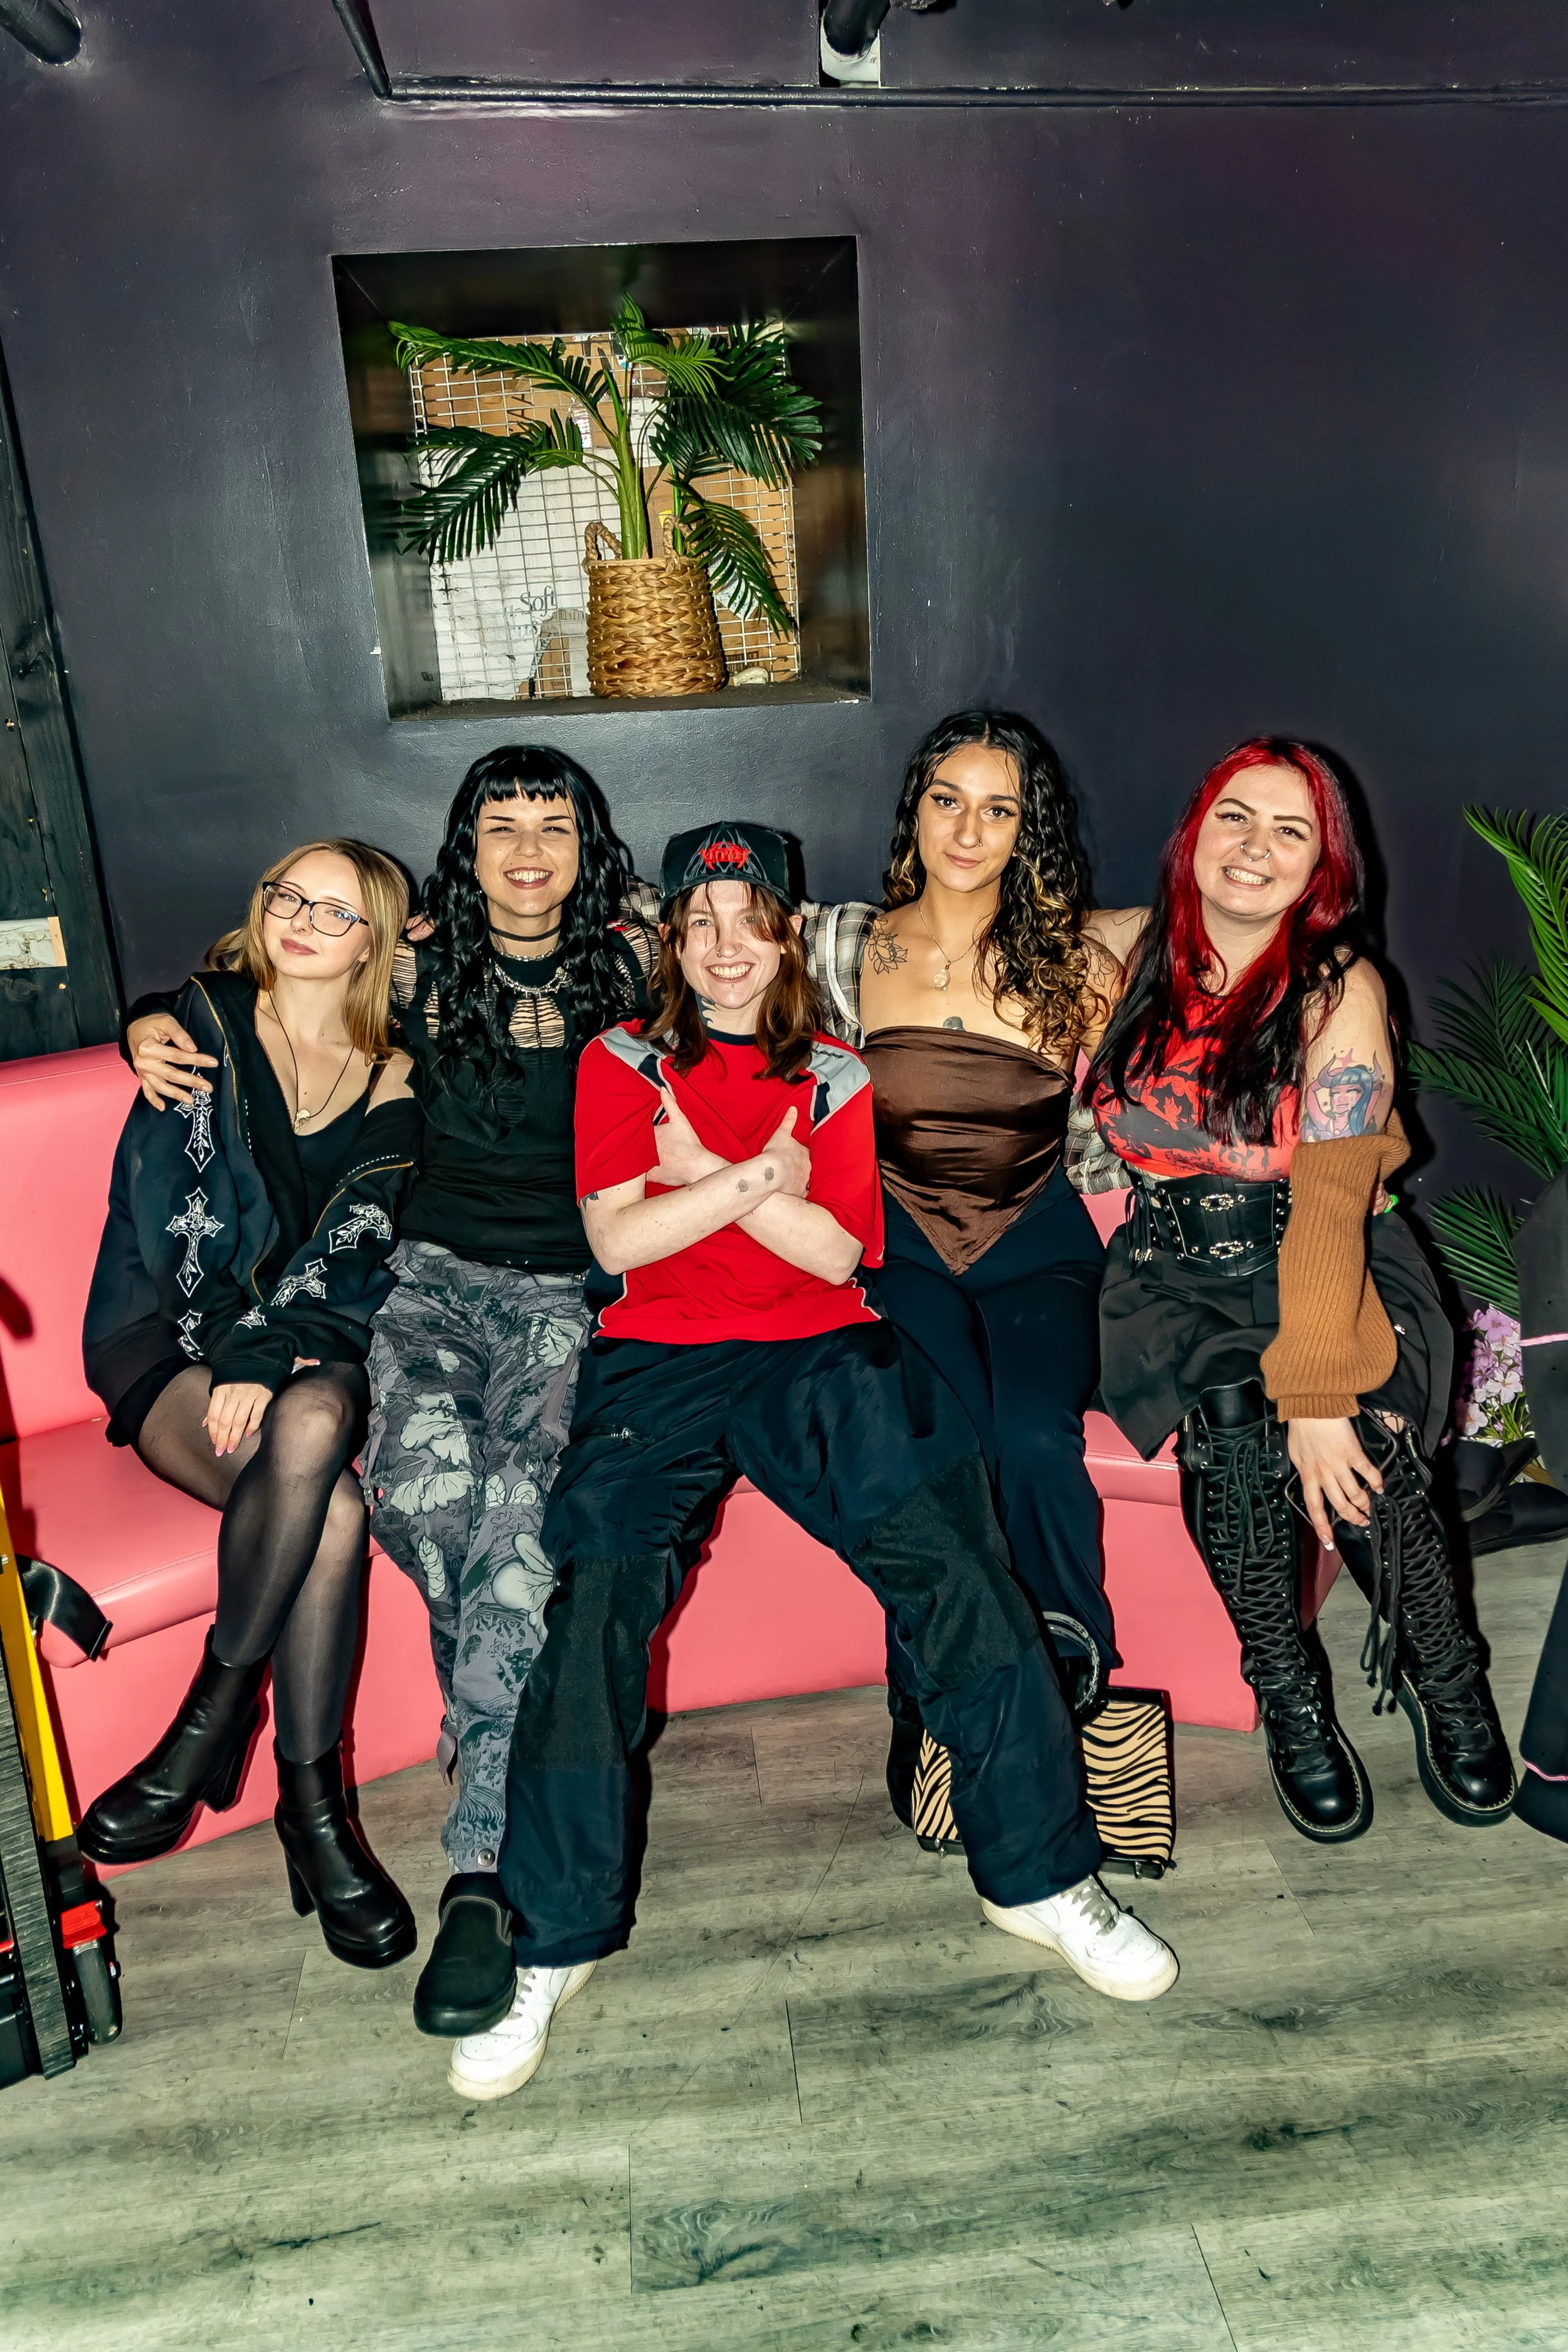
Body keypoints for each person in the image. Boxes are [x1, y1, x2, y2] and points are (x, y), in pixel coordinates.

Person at [448, 820, 1179, 2104]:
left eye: (751, 920)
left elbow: (838, 1257)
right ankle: (551, 1941)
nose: (727, 948)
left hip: (817, 1353)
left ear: (788, 932)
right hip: (657, 1357)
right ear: (669, 941)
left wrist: (705, 1179)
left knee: (958, 1571)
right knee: (596, 1613)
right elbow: (618, 1243)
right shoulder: (620, 1062)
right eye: (699, 923)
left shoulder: (835, 1072)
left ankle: (1041, 1876)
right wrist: (753, 1181)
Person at [1084, 739, 1515, 1844]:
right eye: (1237, 817)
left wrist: (1319, 1397)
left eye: (1291, 831)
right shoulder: (1119, 951)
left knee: (1360, 1441)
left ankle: (1447, 1678)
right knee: (1229, 1431)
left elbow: (1329, 1207)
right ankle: (1290, 1702)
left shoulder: (1337, 990)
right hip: (1175, 1274)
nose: (1255, 849)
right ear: (1195, 831)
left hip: (1333, 1262)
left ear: (1323, 867)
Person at [79, 840, 420, 1968]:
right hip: (165, 1331)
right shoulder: (199, 1028)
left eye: (338, 909)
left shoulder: (390, 1069)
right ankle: (309, 1811)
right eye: (288, 895)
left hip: (297, 1343)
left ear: (378, 939)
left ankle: (213, 1731)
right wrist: (237, 1352)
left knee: (328, 1471)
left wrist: (273, 1352)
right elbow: (175, 1218)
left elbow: (358, 1234)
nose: (303, 920)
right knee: (329, 1498)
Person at [360, 746, 654, 2042]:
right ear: (464, 848)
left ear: (586, 848)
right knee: (435, 1513)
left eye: (553, 828)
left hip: (562, 1300)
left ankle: (478, 1872)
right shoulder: (414, 967)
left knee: (518, 1536)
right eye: (499, 829)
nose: (526, 853)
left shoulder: (632, 970)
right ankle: (505, 1782)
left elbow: (778, 963)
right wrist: (162, 1023)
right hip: (425, 1290)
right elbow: (257, 977)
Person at [802, 711, 1121, 1831]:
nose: (970, 828)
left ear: (1028, 829)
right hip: (901, 1245)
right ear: (915, 808)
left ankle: (1075, 1674)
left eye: (1000, 807)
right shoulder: (847, 945)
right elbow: (690, 930)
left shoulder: (1083, 960)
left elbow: (1224, 951)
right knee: (942, 1455)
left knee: (1036, 1437)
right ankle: (927, 1689)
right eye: (950, 798)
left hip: (1038, 1242)